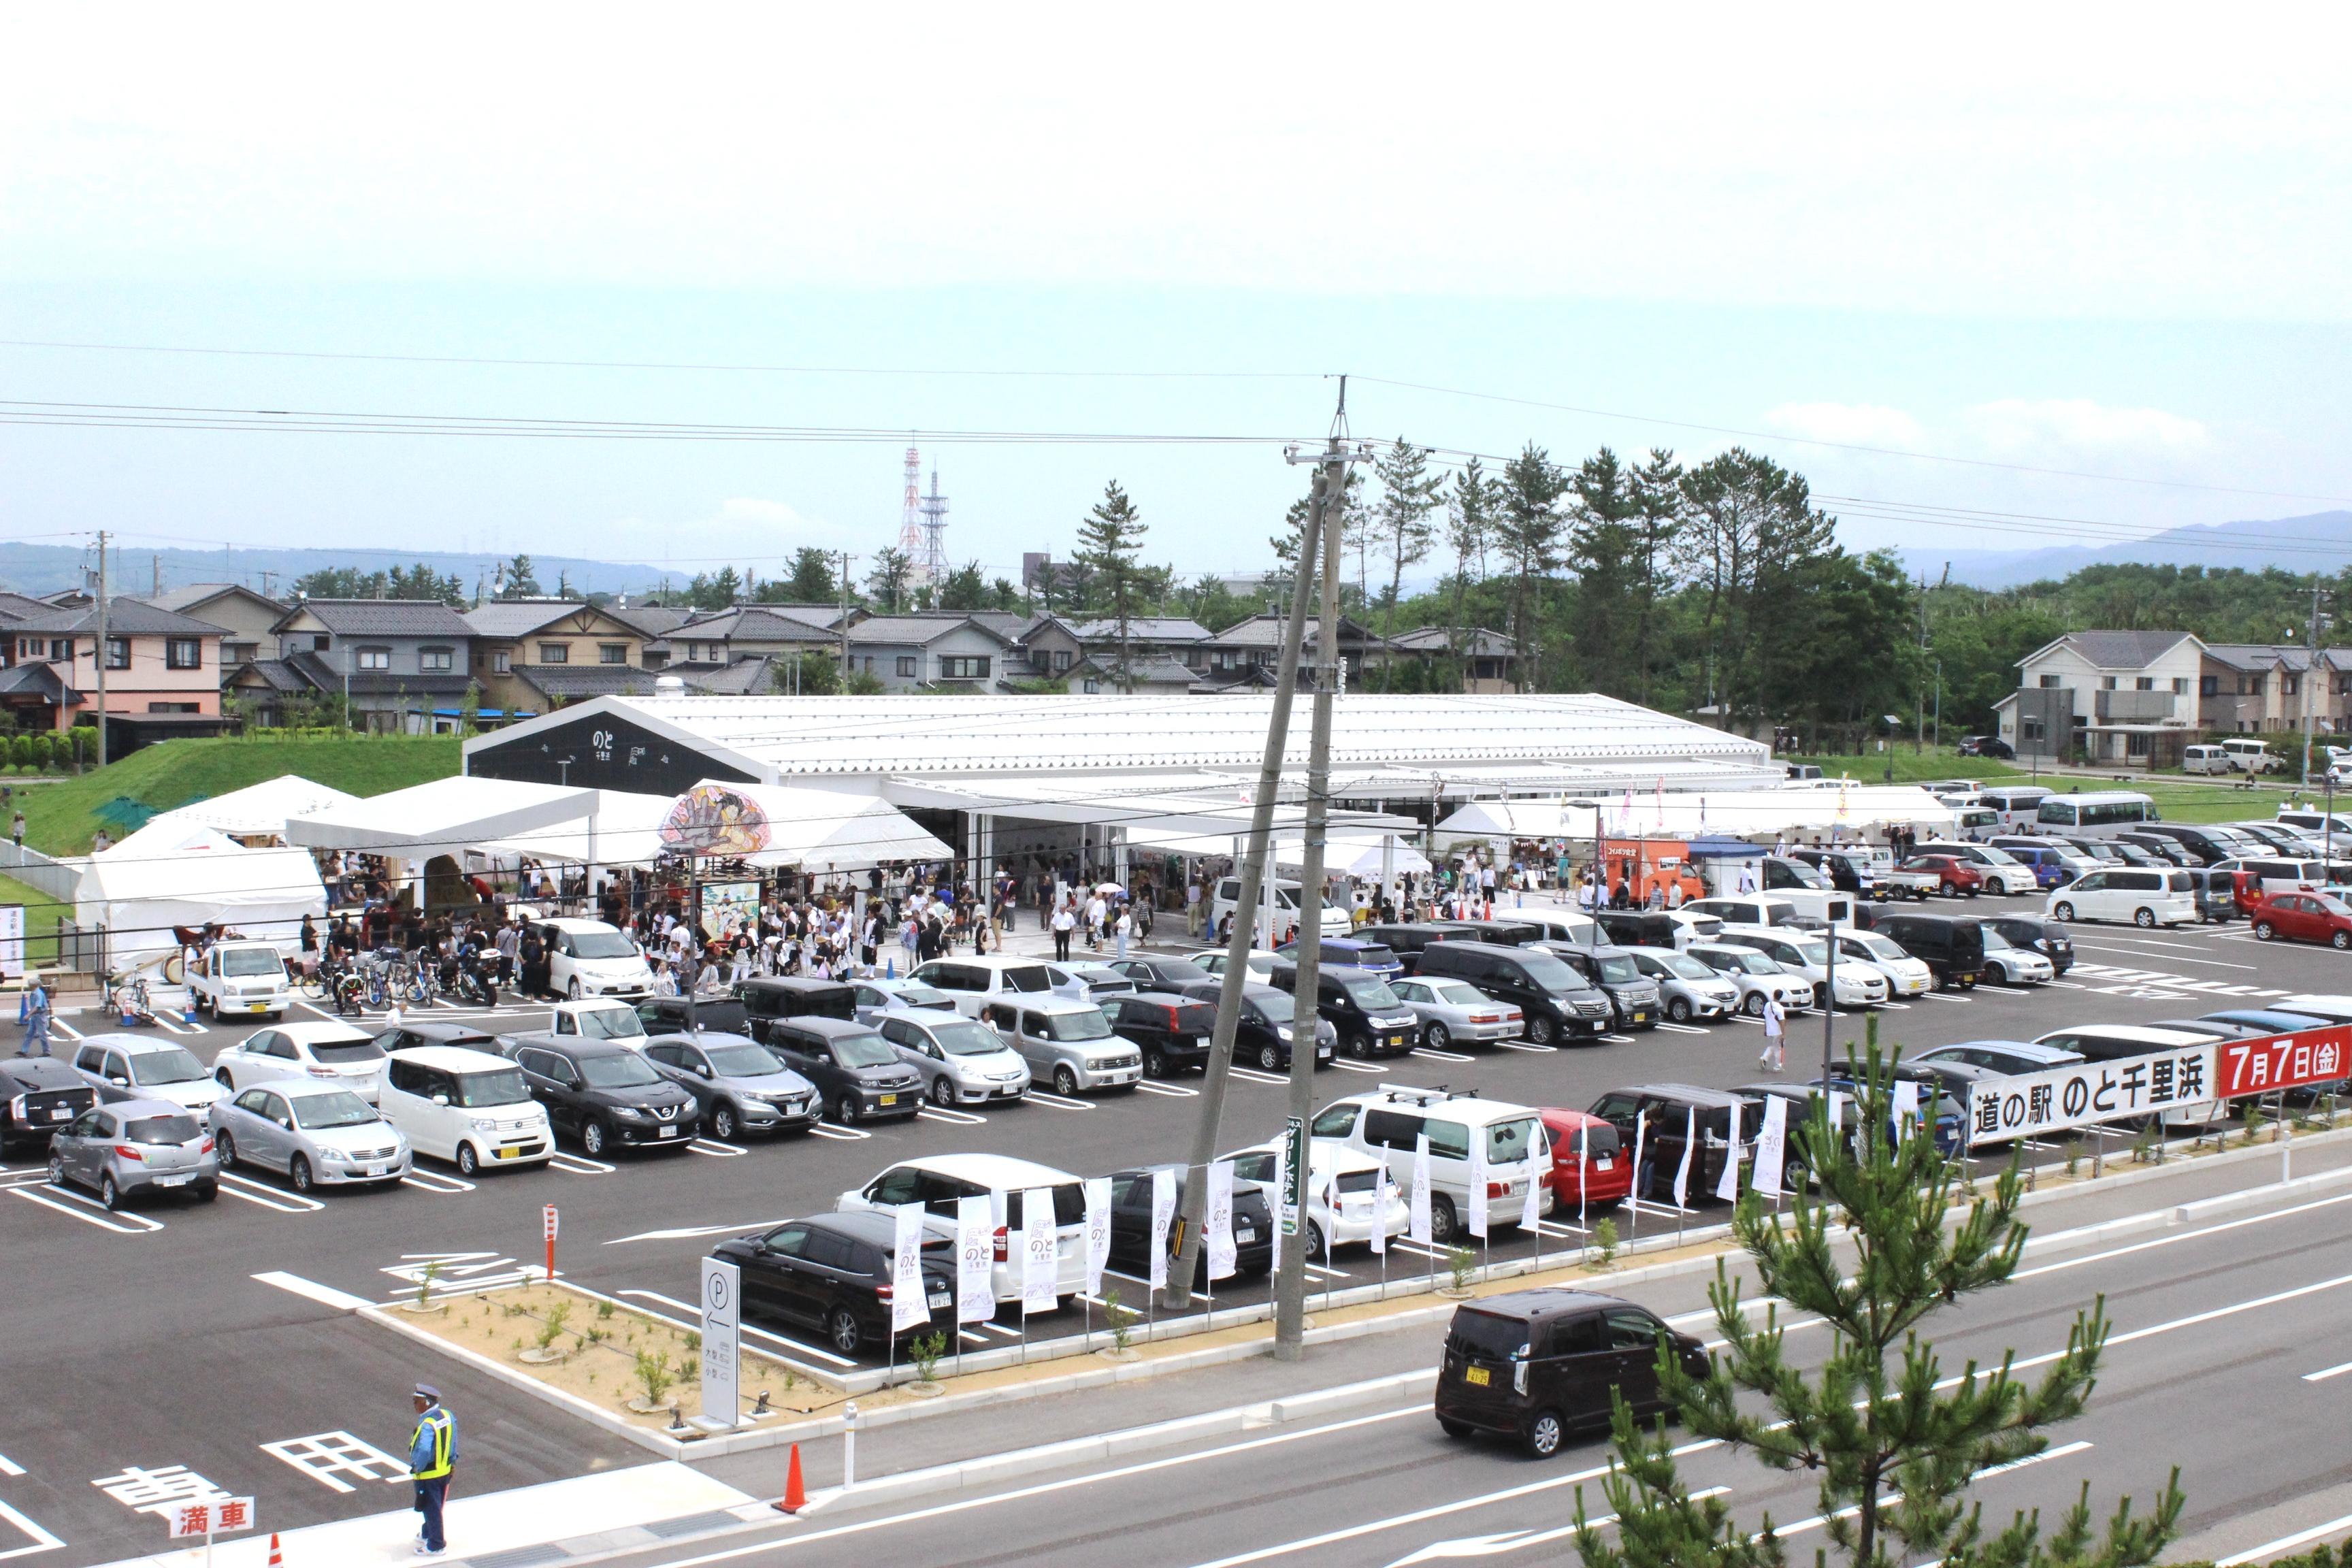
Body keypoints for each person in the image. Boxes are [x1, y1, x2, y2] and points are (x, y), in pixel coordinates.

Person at [408, 1382, 457, 1556]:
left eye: (417, 1401)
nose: (415, 1405)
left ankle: (436, 1545)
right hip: (445, 1470)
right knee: (436, 1505)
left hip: (429, 1474)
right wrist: (453, 1462)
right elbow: (453, 1441)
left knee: (431, 1508)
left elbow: (424, 1450)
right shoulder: (447, 1415)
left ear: (427, 1403)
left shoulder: (428, 1425)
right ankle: (427, 1532)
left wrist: (418, 1468)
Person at [16, 976, 50, 1058]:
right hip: (35, 1016)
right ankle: (24, 1050)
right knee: (29, 1033)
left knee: (42, 1034)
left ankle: (47, 1051)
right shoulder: (35, 993)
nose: (29, 986)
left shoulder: (38, 994)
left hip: (39, 1016)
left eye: (29, 985)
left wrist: (28, 1015)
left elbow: (37, 1007)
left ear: (33, 985)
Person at [1759, 992, 1785, 1072]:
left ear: (1774, 995)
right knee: (1779, 1049)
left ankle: (1764, 1058)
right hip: (1777, 1031)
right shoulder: (1780, 1008)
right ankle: (1778, 1066)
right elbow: (1782, 1021)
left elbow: (1766, 1017)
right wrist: (1783, 1034)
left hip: (1770, 1030)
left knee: (1772, 1046)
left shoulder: (1767, 1005)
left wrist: (1766, 1029)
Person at [1051, 898, 1076, 962]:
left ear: (1065, 909)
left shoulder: (1069, 916)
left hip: (1066, 932)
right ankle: (1059, 960)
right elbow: (1054, 925)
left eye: (1063, 909)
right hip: (1059, 932)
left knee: (1066, 947)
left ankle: (1066, 960)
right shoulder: (1057, 915)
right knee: (1058, 947)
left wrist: (1073, 934)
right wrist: (1053, 934)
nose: (1061, 910)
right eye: (1060, 909)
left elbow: (1072, 926)